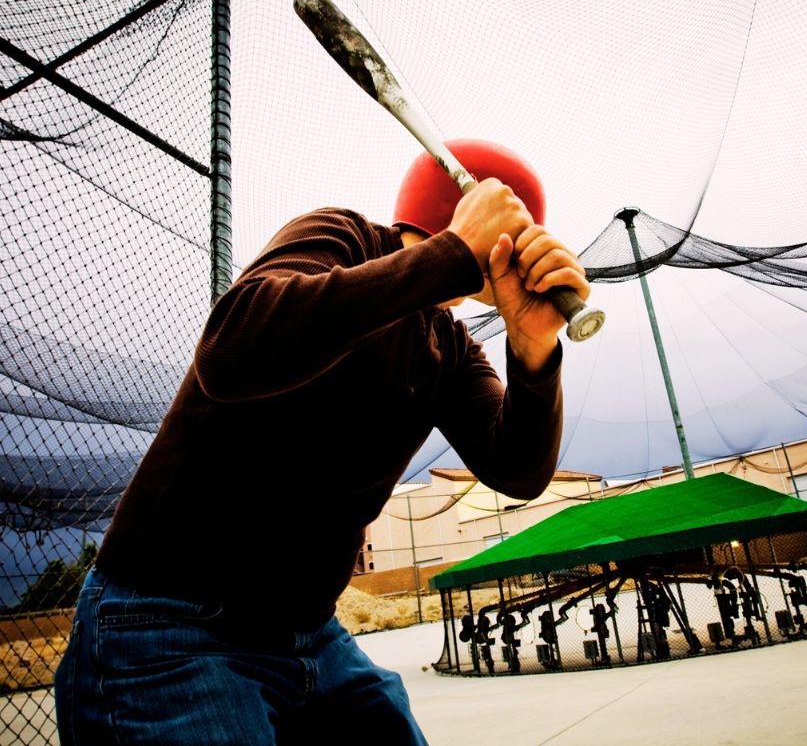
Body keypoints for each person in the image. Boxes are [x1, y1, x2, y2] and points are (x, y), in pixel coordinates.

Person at [54, 139, 590, 745]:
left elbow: (518, 469)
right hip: (169, 620)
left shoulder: (449, 345)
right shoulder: (343, 238)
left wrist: (533, 348)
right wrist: (454, 254)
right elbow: (232, 350)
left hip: (308, 633)